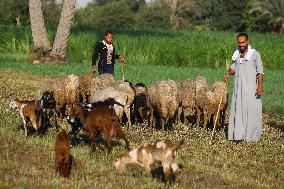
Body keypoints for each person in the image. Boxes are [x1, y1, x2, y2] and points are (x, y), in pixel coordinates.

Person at [224, 32, 264, 142]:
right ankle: (238, 135)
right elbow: (233, 69)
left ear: (247, 42)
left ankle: (251, 136)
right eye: (239, 42)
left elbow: (260, 72)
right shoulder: (236, 54)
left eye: (243, 42)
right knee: (239, 110)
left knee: (251, 110)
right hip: (238, 88)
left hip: (251, 88)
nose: (241, 44)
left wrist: (259, 86)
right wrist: (228, 73)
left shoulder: (255, 54)